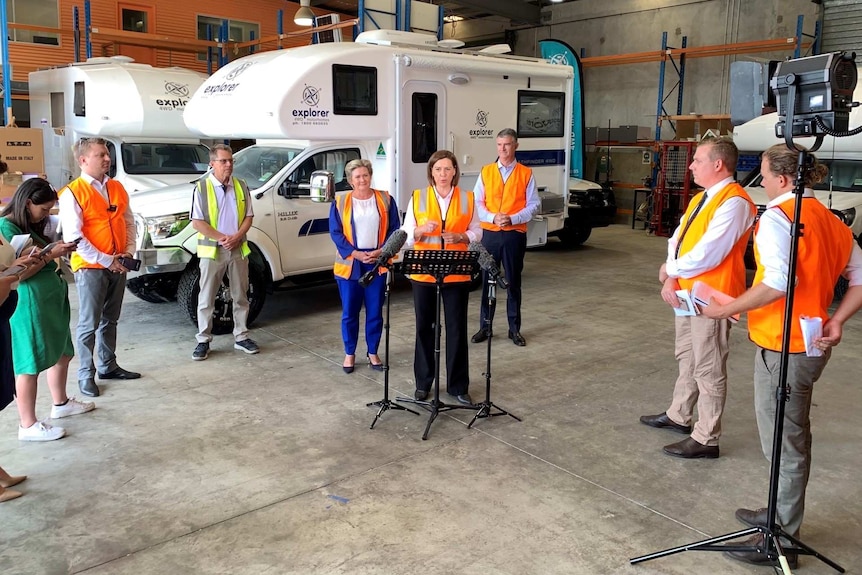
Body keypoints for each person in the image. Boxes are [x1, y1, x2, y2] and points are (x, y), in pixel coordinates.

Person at [703, 144, 862, 568]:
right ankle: (776, 515)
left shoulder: (778, 217)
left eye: (768, 174)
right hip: (811, 343)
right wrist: (837, 319)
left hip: (784, 347)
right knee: (787, 437)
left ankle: (783, 535)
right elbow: (859, 278)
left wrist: (726, 308)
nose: (765, 181)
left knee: (785, 444)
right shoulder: (832, 222)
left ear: (784, 179)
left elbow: (777, 283)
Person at [640, 136, 756, 459]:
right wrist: (673, 275)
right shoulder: (701, 199)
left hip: (712, 299)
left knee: (709, 365)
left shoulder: (735, 203)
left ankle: (707, 436)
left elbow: (709, 254)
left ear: (718, 164)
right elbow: (677, 239)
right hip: (687, 293)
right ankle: (680, 414)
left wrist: (669, 269)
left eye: (698, 160)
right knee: (687, 356)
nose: (690, 166)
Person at [1, 179, 93, 441]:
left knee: (62, 352)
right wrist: (50, 255)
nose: (46, 215)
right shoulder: (6, 227)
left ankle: (60, 403)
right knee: (29, 362)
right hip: (30, 301)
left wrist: (53, 249)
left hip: (51, 297)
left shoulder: (28, 225)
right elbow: (18, 273)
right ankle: (27, 424)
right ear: (28, 202)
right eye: (43, 209)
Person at [59, 137, 141, 398]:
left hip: (118, 263)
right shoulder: (73, 193)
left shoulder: (116, 187)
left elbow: (129, 222)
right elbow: (74, 238)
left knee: (111, 319)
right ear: (83, 161)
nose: (107, 158)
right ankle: (86, 374)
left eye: (107, 154)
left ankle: (108, 365)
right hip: (91, 266)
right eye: (100, 155)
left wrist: (128, 252)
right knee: (88, 323)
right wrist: (108, 260)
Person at [401, 150, 483, 405]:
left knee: (457, 329)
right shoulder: (418, 197)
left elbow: (478, 230)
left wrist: (463, 237)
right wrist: (419, 230)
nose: (443, 174)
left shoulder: (468, 198)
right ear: (431, 173)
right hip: (424, 273)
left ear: (455, 172)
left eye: (448, 169)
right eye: (438, 169)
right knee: (425, 328)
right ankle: (423, 383)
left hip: (456, 273)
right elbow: (405, 232)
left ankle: (458, 386)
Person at [329, 159, 400, 373]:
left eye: (365, 175)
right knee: (350, 312)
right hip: (351, 265)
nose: (362, 179)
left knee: (375, 311)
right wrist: (356, 253)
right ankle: (349, 353)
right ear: (350, 181)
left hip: (377, 263)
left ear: (370, 176)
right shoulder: (340, 202)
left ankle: (373, 352)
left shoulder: (386, 199)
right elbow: (336, 232)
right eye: (357, 176)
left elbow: (395, 229)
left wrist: (382, 251)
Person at [190, 144, 259, 360]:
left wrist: (237, 237)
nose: (229, 164)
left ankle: (241, 336)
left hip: (237, 249)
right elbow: (197, 222)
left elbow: (248, 216)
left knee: (240, 295)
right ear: (212, 164)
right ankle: (203, 340)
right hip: (213, 251)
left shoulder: (241, 185)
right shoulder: (201, 188)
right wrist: (222, 238)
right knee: (207, 297)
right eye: (223, 161)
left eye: (231, 160)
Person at [472, 128, 540, 347]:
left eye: (507, 144)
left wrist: (512, 218)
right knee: (488, 280)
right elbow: (477, 202)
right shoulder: (486, 171)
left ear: (516, 146)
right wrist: (494, 217)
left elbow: (534, 204)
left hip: (513, 234)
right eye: (499, 144)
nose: (503, 149)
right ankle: (486, 326)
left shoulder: (526, 173)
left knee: (513, 282)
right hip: (490, 234)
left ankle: (514, 329)